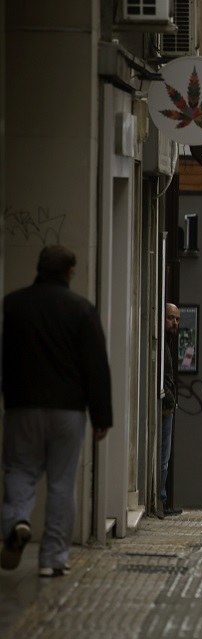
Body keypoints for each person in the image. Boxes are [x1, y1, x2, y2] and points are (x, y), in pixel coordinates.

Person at [1, 245, 113, 577]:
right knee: (62, 484)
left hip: (23, 407)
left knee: (20, 470)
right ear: (69, 272)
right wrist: (101, 416)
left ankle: (17, 520)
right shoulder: (81, 310)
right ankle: (52, 558)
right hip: (68, 411)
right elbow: (96, 366)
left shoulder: (13, 304)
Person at [158, 303, 183, 518]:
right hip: (164, 405)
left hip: (167, 403)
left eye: (176, 319)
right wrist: (168, 401)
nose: (174, 322)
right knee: (163, 455)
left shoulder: (167, 342)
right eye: (170, 318)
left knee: (165, 455)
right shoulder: (160, 343)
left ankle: (161, 499)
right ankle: (161, 500)